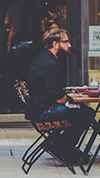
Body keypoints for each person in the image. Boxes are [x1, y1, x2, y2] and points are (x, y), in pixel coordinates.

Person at [26, 28, 93, 165]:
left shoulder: (46, 59)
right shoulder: (49, 63)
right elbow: (59, 98)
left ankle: (60, 145)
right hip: (44, 110)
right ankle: (60, 147)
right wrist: (76, 97)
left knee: (85, 112)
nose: (69, 45)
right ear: (55, 44)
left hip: (40, 107)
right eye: (66, 42)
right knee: (85, 114)